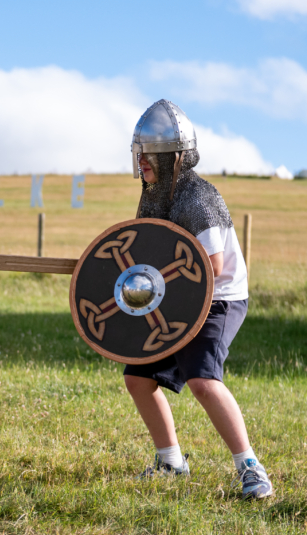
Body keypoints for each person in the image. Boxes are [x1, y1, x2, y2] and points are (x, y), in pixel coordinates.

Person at [124, 100, 272, 499]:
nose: (142, 163)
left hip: (219, 297)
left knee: (203, 380)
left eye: (149, 155)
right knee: (138, 377)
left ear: (173, 156)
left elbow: (211, 266)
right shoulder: (154, 197)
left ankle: (251, 469)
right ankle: (171, 462)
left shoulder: (198, 196)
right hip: (171, 299)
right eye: (140, 155)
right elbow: (149, 256)